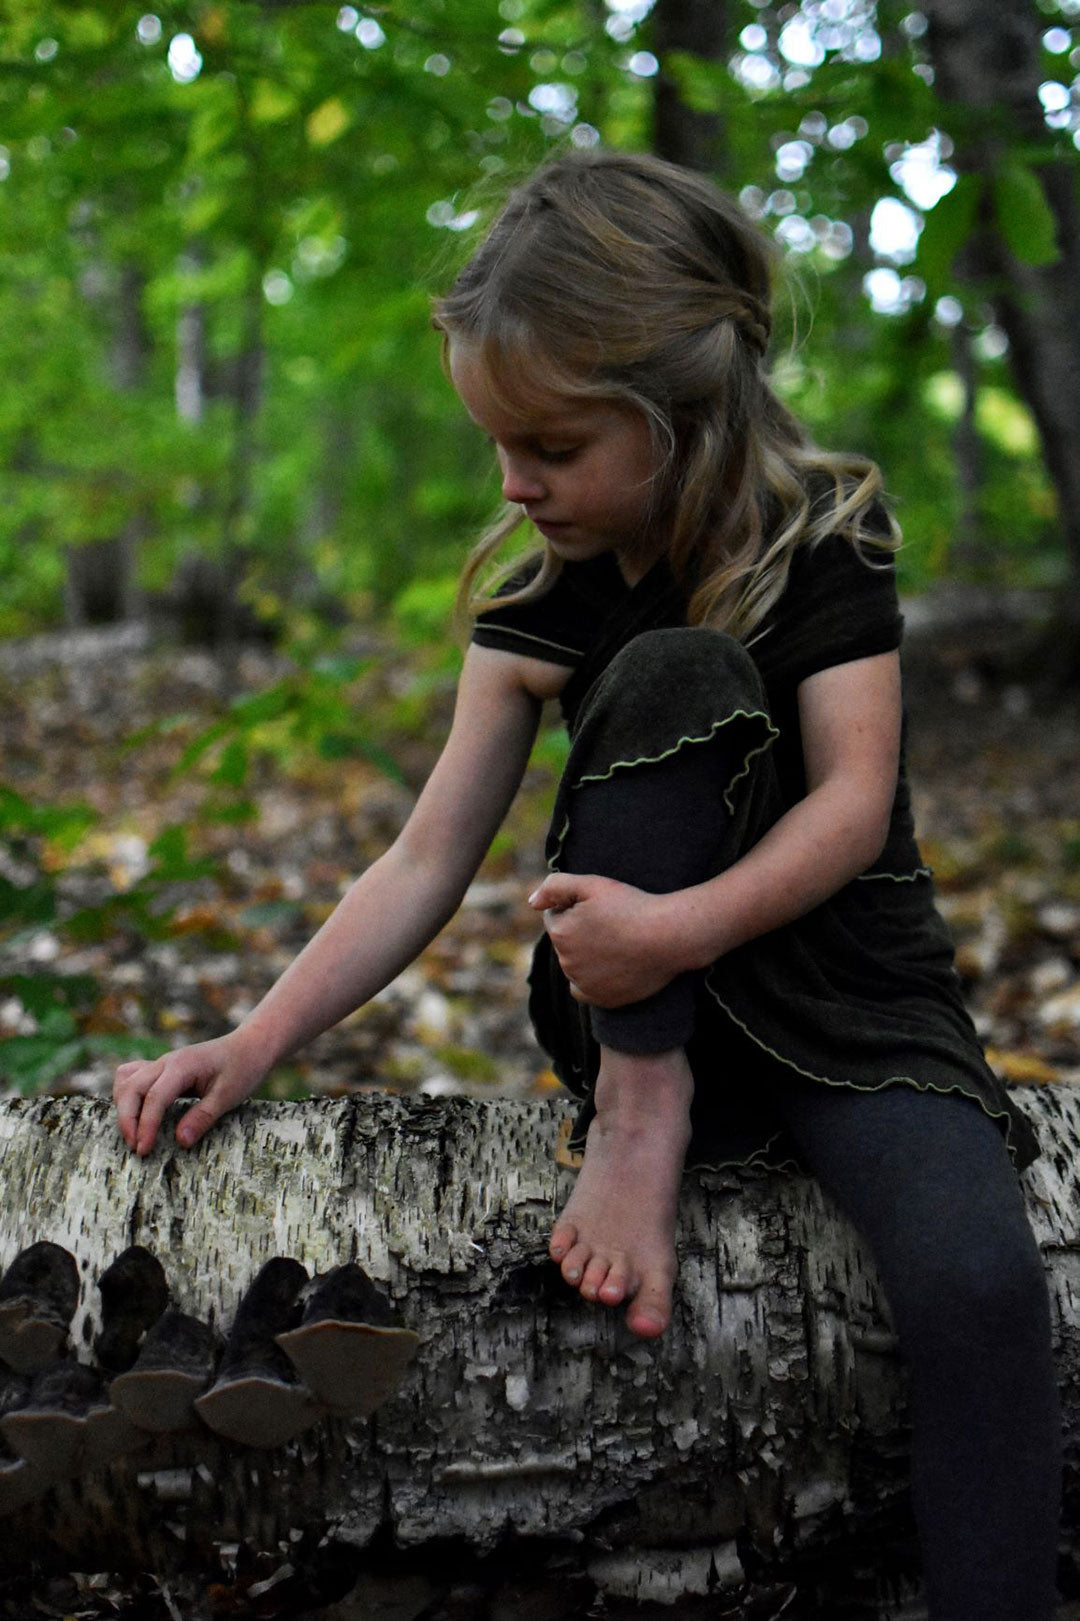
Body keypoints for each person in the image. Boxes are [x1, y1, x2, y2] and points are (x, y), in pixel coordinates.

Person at [114, 151, 1060, 1619]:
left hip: (852, 1004)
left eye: (551, 444)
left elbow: (854, 806)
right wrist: (258, 1035)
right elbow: (428, 854)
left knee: (984, 1287)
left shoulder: (828, 537)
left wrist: (678, 923)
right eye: (498, 443)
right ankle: (643, 1109)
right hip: (636, 1004)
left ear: (681, 413)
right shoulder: (541, 589)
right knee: (667, 672)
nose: (514, 480)